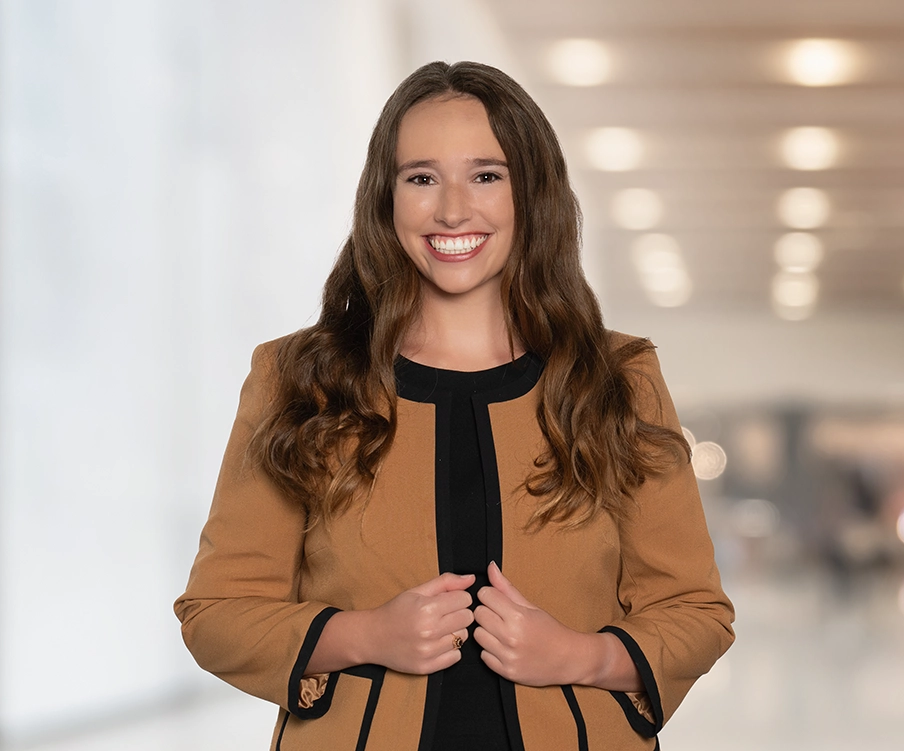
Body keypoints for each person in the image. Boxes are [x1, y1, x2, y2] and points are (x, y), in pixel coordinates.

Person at [173, 61, 734, 751]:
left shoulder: (615, 378)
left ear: (532, 192)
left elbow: (695, 609)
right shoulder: (297, 380)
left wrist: (581, 655)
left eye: (486, 174)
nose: (452, 209)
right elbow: (217, 611)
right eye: (422, 177)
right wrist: (365, 634)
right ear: (386, 198)